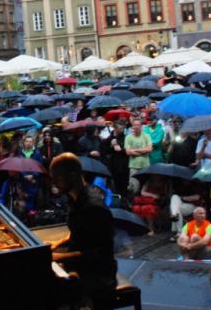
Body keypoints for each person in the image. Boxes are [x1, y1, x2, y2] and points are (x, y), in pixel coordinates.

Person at [48, 153, 117, 309]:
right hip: (82, 263)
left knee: (48, 291)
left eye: (57, 178)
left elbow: (97, 254)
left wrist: (58, 257)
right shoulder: (75, 198)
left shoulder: (93, 207)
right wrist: (57, 243)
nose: (54, 183)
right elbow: (79, 232)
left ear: (72, 175)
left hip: (98, 274)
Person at [124, 119, 152, 195]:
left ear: (141, 126)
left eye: (138, 125)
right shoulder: (128, 137)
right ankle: (132, 200)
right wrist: (144, 151)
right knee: (133, 187)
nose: (136, 127)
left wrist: (134, 150)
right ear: (132, 126)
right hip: (133, 166)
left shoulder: (146, 136)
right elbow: (128, 152)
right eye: (134, 125)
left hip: (145, 165)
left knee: (145, 187)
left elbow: (149, 149)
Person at [101, 119, 129, 193]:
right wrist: (111, 145)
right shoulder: (109, 137)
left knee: (123, 181)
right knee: (113, 181)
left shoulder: (125, 137)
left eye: (123, 128)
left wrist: (120, 148)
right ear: (115, 128)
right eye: (120, 128)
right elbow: (104, 150)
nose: (122, 130)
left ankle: (123, 195)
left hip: (123, 163)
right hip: (112, 163)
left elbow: (128, 150)